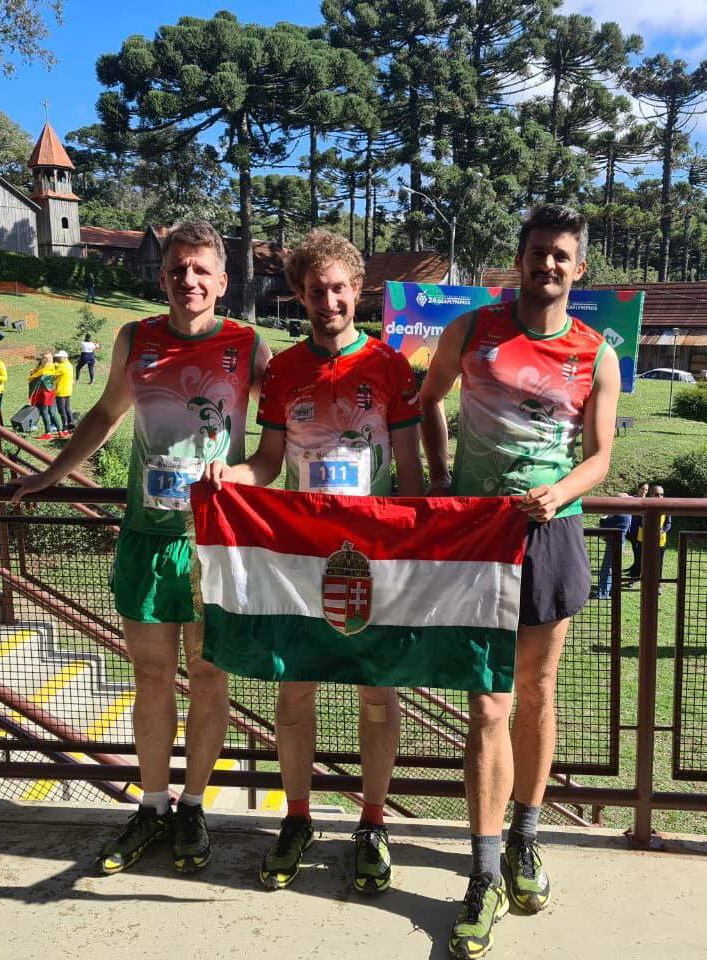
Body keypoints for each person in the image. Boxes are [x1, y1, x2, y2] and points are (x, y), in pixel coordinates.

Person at [13, 220, 271, 875]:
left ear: (222, 281)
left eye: (201, 270)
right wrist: (52, 473)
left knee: (208, 678)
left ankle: (193, 807)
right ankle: (151, 805)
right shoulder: (137, 338)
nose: (189, 280)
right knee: (152, 677)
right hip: (147, 538)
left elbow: (279, 437)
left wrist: (241, 475)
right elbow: (105, 414)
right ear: (163, 278)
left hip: (215, 542)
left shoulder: (248, 345)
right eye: (178, 269)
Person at [419, 204, 620, 959]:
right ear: (520, 258)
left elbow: (600, 458)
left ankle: (525, 838)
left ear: (579, 268)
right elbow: (427, 400)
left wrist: (559, 492)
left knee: (535, 691)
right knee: (487, 703)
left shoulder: (596, 353)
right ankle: (482, 870)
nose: (548, 264)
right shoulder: (472, 329)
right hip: (477, 536)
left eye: (561, 255)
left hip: (550, 533)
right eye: (538, 252)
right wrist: (441, 479)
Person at [207, 229, 424, 895]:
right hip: (300, 559)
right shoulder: (282, 372)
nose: (328, 301)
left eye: (338, 289)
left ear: (357, 291)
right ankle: (297, 817)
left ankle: (372, 822)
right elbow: (268, 463)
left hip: (372, 557)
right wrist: (229, 476)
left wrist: (413, 550)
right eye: (315, 291)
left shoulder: (389, 366)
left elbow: (410, 472)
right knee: (294, 688)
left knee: (377, 693)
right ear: (299, 296)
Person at [595, 493, 632, 600]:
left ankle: (603, 593)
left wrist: (604, 517)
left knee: (608, 568)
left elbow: (604, 528)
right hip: (615, 543)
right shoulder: (622, 513)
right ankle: (606, 591)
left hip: (615, 544)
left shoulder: (621, 515)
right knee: (609, 568)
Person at [638, 484, 671, 585]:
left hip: (660, 540)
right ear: (651, 494)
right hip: (645, 539)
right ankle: (644, 582)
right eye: (657, 494)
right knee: (644, 562)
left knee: (659, 563)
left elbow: (668, 523)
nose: (660, 497)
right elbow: (639, 521)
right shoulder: (644, 505)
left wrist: (663, 531)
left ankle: (658, 584)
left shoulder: (667, 507)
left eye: (662, 494)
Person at [28, 351, 63, 439]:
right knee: (52, 412)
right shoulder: (51, 366)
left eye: (43, 358)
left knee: (45, 412)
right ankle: (61, 431)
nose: (41, 360)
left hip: (44, 393)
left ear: (47, 359)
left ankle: (48, 433)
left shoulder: (46, 369)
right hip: (50, 392)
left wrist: (33, 375)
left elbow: (37, 379)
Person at [626, 481, 649, 580]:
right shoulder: (632, 499)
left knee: (638, 551)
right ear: (638, 489)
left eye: (646, 490)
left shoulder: (648, 501)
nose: (644, 491)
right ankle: (634, 567)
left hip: (641, 532)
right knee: (635, 550)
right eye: (643, 488)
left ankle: (635, 571)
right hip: (631, 530)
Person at [53, 350, 75, 435]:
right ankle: (71, 426)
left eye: (59, 357)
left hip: (61, 391)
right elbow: (58, 366)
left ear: (65, 358)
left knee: (62, 410)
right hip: (67, 390)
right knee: (67, 409)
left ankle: (65, 428)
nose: (58, 359)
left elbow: (52, 374)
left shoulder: (62, 367)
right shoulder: (69, 365)